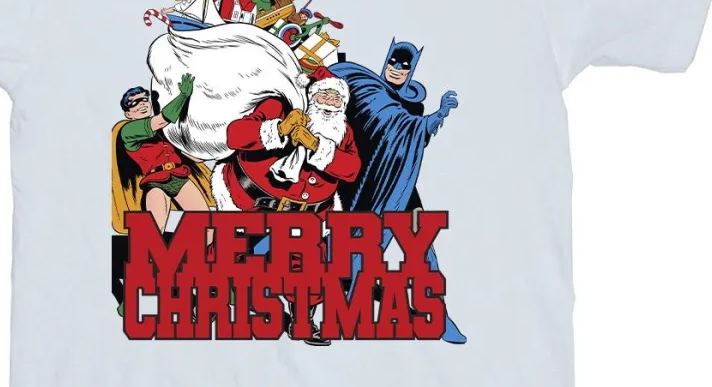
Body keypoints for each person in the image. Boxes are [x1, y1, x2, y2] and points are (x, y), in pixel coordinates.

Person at [329, 41, 465, 343]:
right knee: (354, 243)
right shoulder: (361, 88)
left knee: (420, 243)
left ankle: (438, 314)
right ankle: (343, 307)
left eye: (404, 66)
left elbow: (417, 134)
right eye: (394, 62)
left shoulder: (413, 106)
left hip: (398, 183)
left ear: (411, 70)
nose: (397, 69)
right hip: (360, 182)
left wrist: (439, 115)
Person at [213, 72, 360, 215]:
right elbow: (234, 136)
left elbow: (352, 169)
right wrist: (280, 129)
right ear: (311, 96)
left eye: (337, 99)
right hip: (250, 206)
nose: (330, 103)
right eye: (324, 96)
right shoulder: (279, 107)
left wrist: (315, 145)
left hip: (313, 218)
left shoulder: (342, 130)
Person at [115, 76, 210, 231]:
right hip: (155, 181)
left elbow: (191, 155)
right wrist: (183, 96)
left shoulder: (164, 131)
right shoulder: (128, 130)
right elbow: (162, 119)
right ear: (128, 114)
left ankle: (206, 247)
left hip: (179, 177)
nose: (142, 104)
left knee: (206, 222)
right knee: (155, 229)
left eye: (144, 99)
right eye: (134, 103)